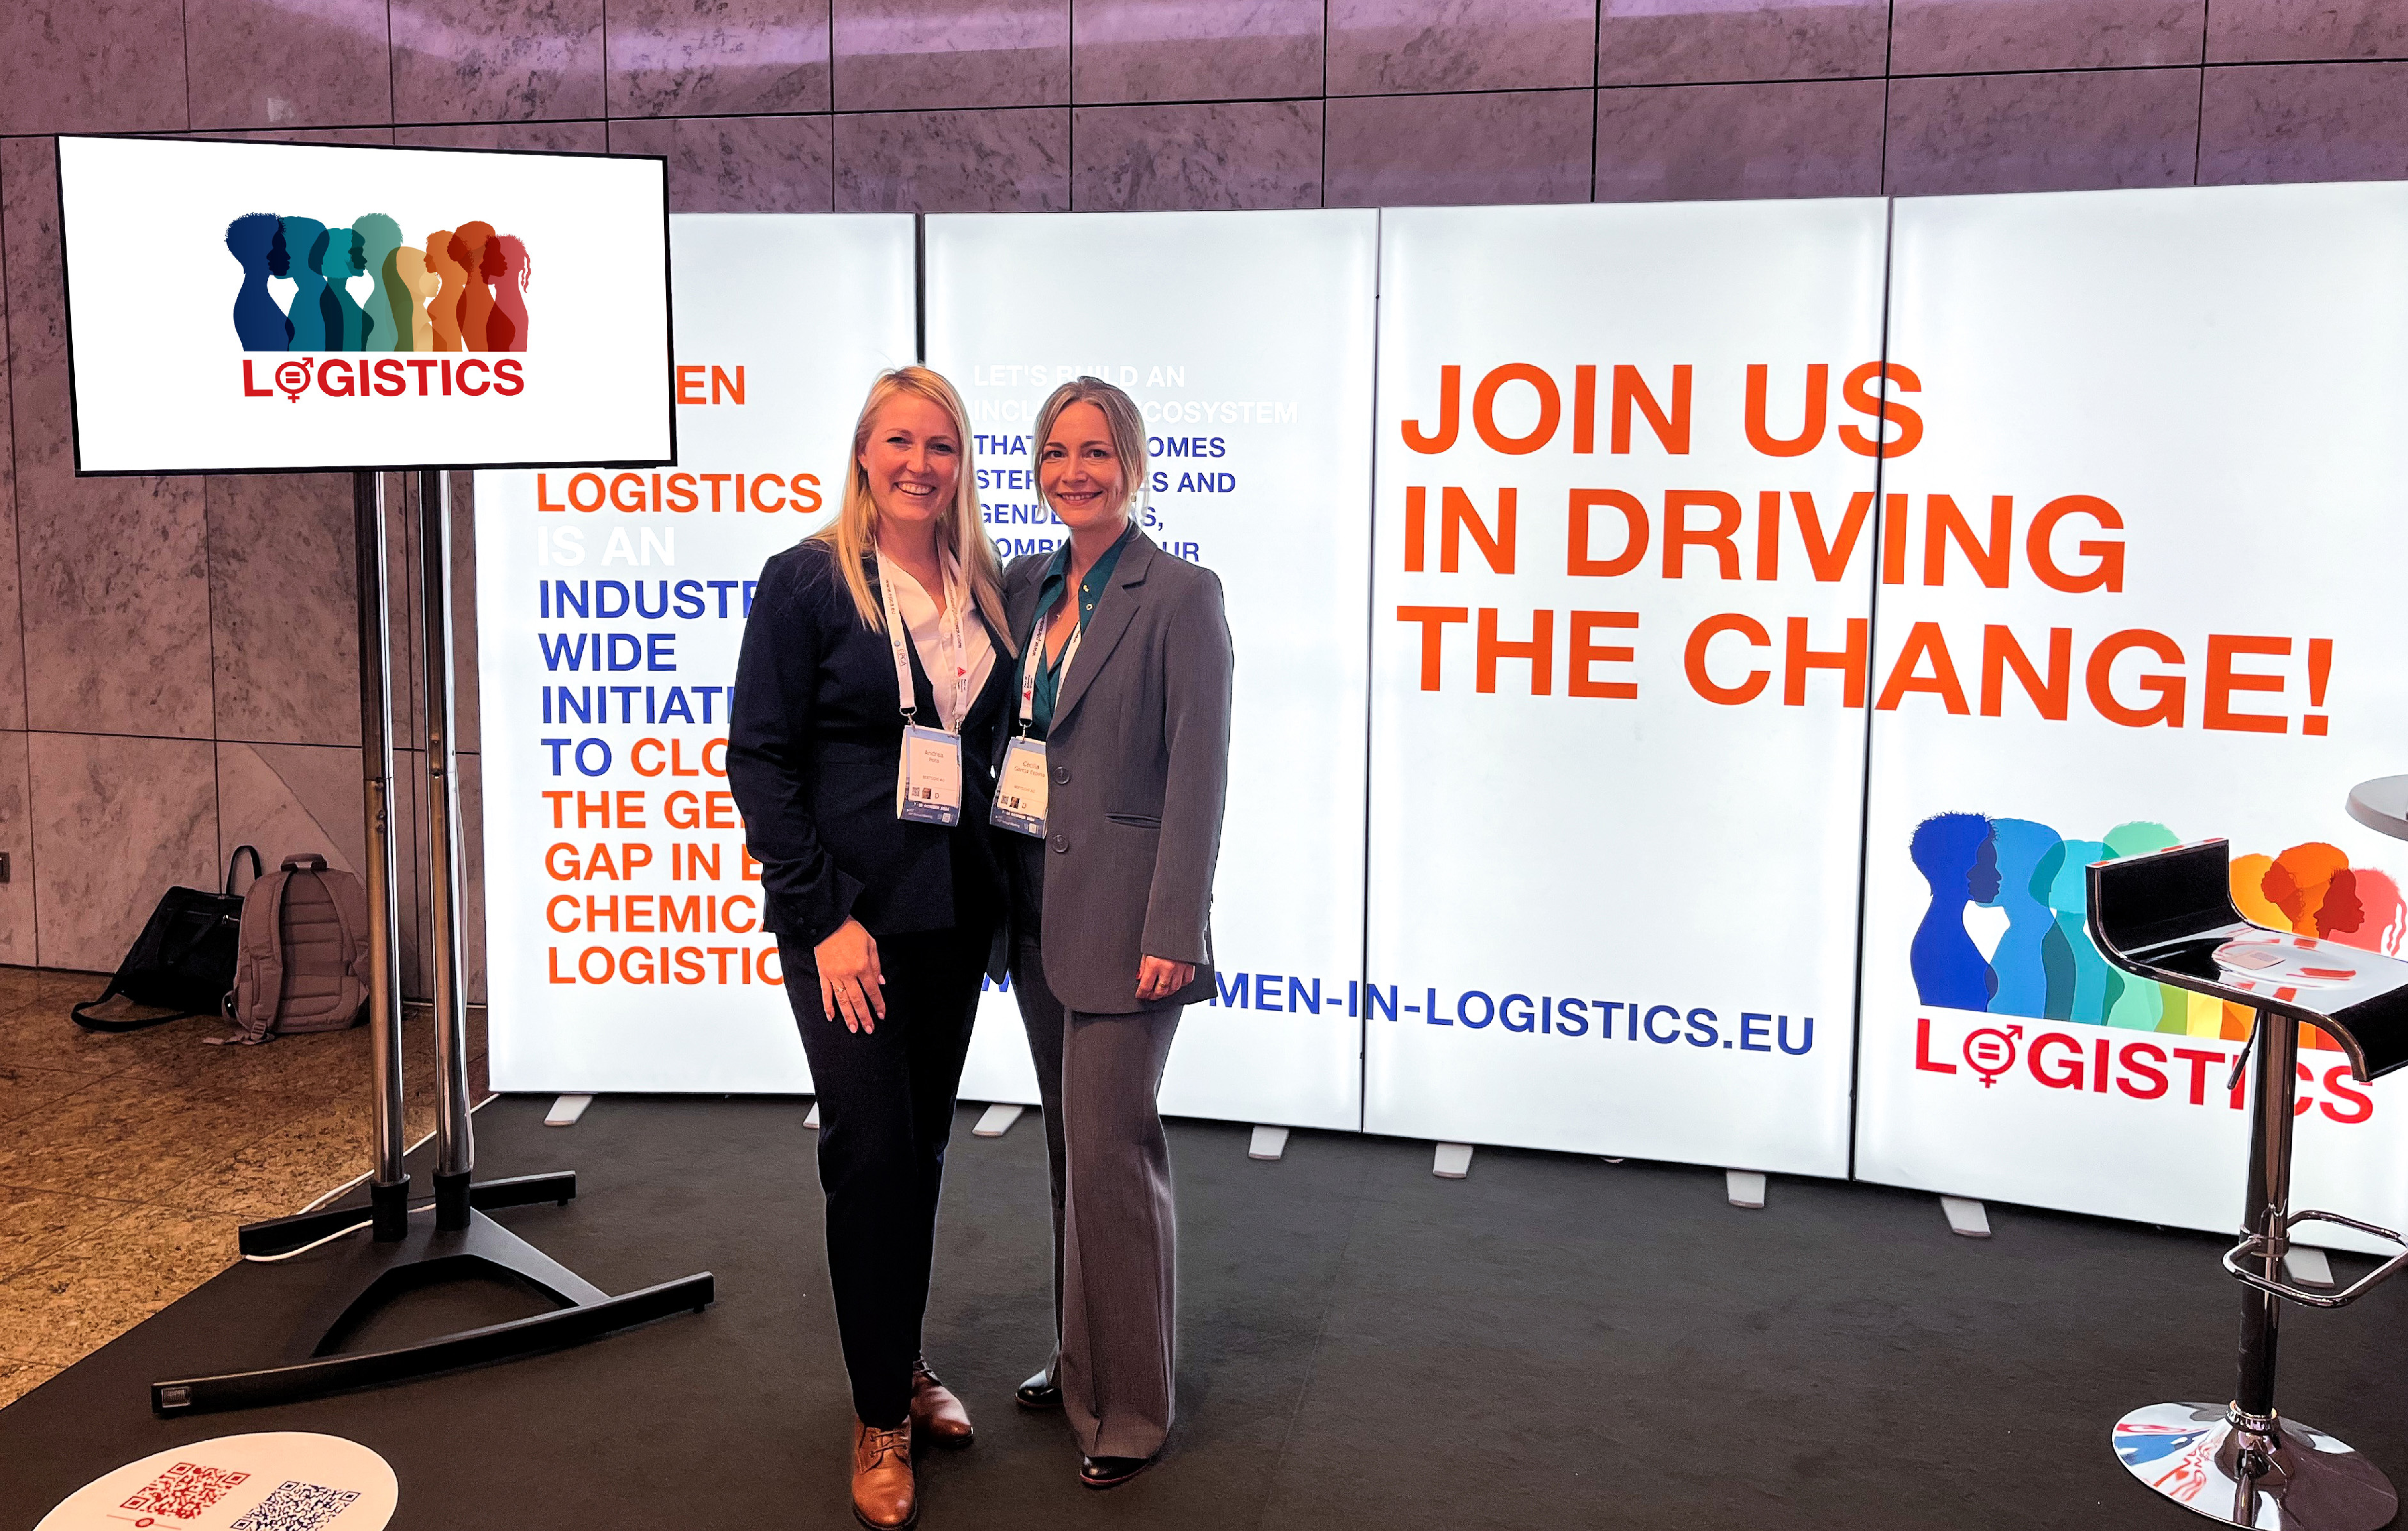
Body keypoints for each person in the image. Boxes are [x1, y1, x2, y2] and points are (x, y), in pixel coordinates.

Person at [728, 365, 1016, 1531]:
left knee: (926, 1151)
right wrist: (819, 918)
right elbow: (761, 760)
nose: (920, 464)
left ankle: (898, 1358)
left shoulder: (983, 586)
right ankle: (877, 1418)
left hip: (951, 918)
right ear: (862, 453)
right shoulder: (807, 581)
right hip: (846, 928)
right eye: (899, 441)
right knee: (871, 1155)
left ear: (960, 465)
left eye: (941, 445)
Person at [990, 376, 1233, 1490]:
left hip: (1131, 918)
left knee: (1115, 1155)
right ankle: (1078, 1354)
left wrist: (1177, 922)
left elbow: (1199, 772)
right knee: (1069, 1147)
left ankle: (1130, 1406)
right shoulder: (1023, 583)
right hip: (1035, 899)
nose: (1074, 471)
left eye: (1096, 451)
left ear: (1134, 466)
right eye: (1056, 452)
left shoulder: (1179, 593)